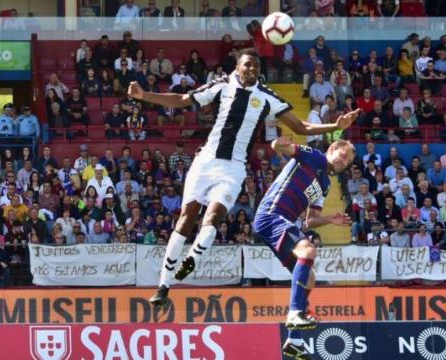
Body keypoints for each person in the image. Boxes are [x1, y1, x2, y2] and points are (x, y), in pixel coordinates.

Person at [128, 48, 359, 308]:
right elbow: (183, 99)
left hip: (234, 168)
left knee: (213, 216)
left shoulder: (266, 97)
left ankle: (193, 257)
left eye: (256, 67)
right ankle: (164, 285)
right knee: (186, 216)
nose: (252, 70)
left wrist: (335, 127)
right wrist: (144, 96)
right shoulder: (222, 85)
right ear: (238, 67)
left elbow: (300, 127)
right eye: (247, 65)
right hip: (206, 161)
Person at [253, 137, 354, 359]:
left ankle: (294, 340)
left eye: (347, 163)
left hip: (283, 222)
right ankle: (296, 313)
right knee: (308, 250)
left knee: (310, 278)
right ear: (333, 149)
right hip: (271, 215)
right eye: (344, 156)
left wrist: (330, 219)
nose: (344, 163)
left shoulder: (325, 184)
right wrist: (279, 144)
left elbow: (310, 220)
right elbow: (278, 147)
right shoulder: (313, 156)